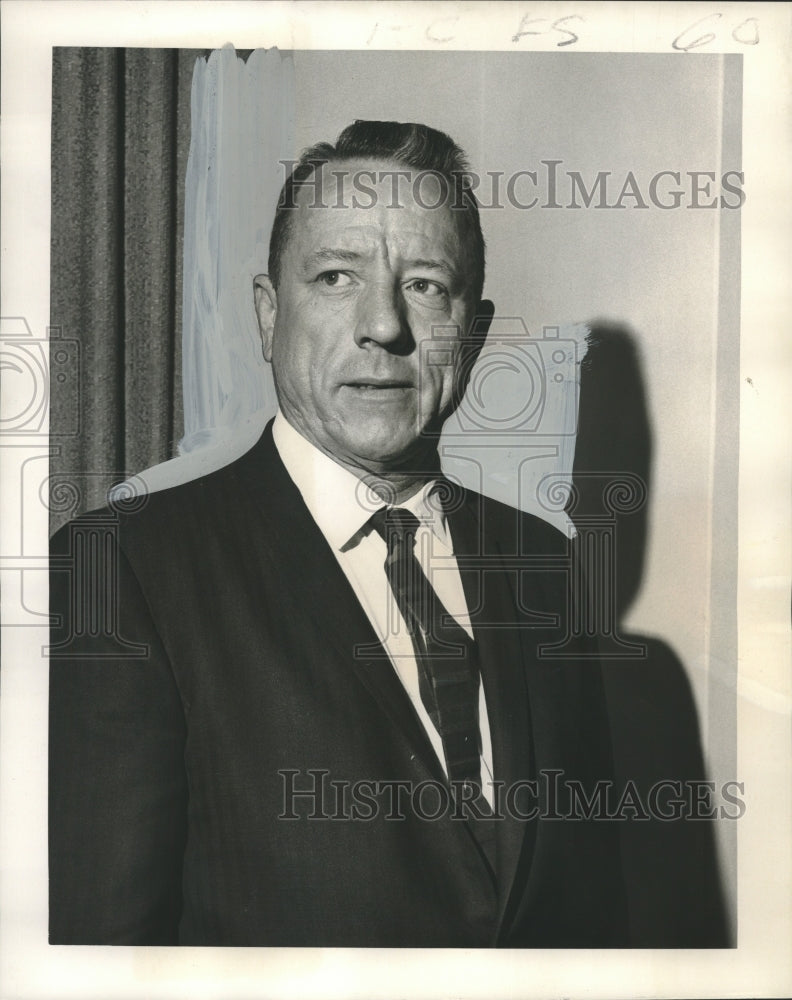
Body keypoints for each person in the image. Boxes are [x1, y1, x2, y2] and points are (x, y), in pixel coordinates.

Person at [48, 120, 628, 947]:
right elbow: (99, 952)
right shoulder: (125, 568)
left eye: (427, 285)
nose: (383, 325)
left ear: (478, 328)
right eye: (335, 276)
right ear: (267, 315)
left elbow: (593, 920)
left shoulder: (550, 564)